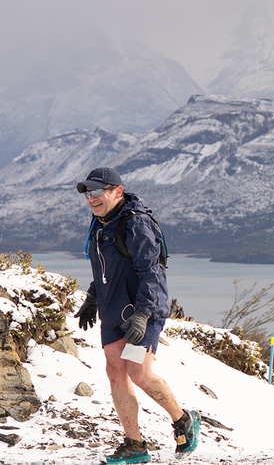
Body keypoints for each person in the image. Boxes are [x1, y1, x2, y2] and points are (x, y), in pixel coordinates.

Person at [72, 167, 200, 465]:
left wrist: (143, 314)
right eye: (88, 193)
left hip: (143, 311)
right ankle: (134, 445)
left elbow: (151, 272)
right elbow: (105, 268)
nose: (92, 198)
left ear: (118, 190)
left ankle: (183, 420)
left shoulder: (137, 224)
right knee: (115, 371)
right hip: (113, 309)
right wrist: (93, 298)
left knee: (138, 372)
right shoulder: (101, 223)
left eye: (97, 192)